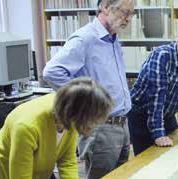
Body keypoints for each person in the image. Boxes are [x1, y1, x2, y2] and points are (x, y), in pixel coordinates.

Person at [42, 0, 135, 178]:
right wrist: (83, 103)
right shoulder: (85, 38)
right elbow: (52, 72)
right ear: (105, 7)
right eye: (124, 12)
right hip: (101, 127)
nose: (128, 19)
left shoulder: (113, 38)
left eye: (132, 13)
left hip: (122, 124)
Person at [0, 77, 113, 179]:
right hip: (0, 175)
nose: (95, 124)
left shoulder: (68, 115)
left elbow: (67, 160)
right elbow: (20, 176)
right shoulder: (27, 127)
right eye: (93, 119)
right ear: (77, 113)